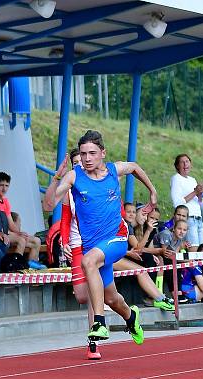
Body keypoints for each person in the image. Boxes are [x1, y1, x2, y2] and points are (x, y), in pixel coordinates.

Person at [44, 129, 155, 346]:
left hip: (117, 239)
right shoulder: (74, 176)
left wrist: (152, 191)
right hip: (93, 247)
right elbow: (49, 205)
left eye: (92, 153)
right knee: (112, 297)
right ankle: (131, 317)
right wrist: (57, 177)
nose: (87, 158)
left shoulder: (114, 170)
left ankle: (99, 322)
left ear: (102, 153)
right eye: (83, 154)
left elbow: (134, 167)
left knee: (88, 262)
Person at [44, 149, 99, 359]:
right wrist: (65, 241)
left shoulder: (97, 184)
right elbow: (63, 216)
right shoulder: (69, 189)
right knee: (82, 295)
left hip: (95, 244)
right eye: (75, 163)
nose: (80, 165)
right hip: (77, 244)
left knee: (94, 292)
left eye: (82, 162)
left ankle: (93, 341)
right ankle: (101, 299)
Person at [115, 202, 174, 311]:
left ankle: (160, 297)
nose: (131, 214)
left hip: (117, 256)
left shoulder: (128, 225)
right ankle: (156, 298)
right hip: (110, 257)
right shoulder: (125, 224)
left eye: (133, 212)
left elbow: (138, 249)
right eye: (128, 212)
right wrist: (148, 231)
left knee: (147, 265)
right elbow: (138, 248)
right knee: (147, 260)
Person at [0, 172, 45, 269]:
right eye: (1, 185)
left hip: (4, 232)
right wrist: (11, 234)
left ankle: (30, 269)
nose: (4, 189)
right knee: (21, 240)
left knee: (36, 241)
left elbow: (11, 224)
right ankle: (15, 268)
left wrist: (19, 232)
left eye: (6, 186)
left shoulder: (5, 201)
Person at [171, 153, 203, 247]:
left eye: (187, 161)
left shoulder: (192, 180)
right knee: (194, 249)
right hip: (189, 218)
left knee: (202, 250)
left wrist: (200, 194)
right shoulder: (176, 178)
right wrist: (195, 192)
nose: (185, 164)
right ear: (177, 166)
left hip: (199, 218)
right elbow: (177, 202)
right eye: (182, 162)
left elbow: (202, 206)